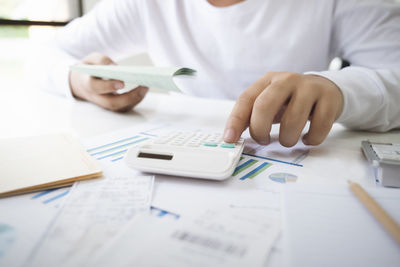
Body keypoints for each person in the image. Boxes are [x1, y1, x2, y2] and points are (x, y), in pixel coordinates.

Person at [36, 0, 400, 147]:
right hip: (181, 157)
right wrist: (77, 80)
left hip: (292, 161)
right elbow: (45, 51)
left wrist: (338, 91)